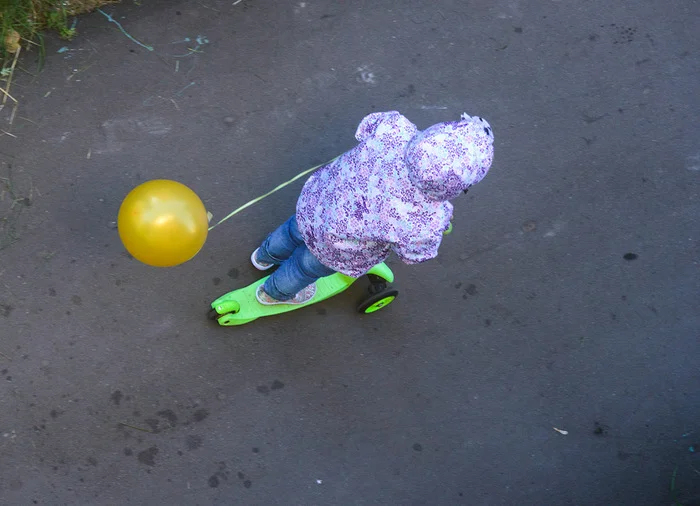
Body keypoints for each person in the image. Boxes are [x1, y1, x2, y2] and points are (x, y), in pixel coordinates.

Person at [250, 110, 494, 305]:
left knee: (292, 231)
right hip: (337, 246)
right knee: (304, 267)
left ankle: (264, 256)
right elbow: (413, 255)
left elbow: (367, 126)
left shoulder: (395, 129)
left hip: (318, 204)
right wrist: (437, 225)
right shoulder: (425, 222)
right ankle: (273, 294)